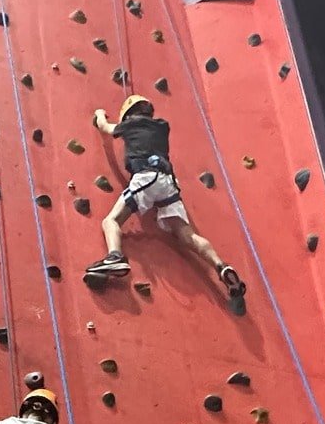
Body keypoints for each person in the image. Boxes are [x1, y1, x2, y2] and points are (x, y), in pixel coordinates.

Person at [84, 94, 245, 302]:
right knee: (186, 233)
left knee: (111, 220)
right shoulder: (161, 127)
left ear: (128, 115)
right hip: (168, 182)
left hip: (146, 177)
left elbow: (105, 127)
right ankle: (220, 266)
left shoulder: (130, 125)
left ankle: (114, 256)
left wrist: (98, 115)